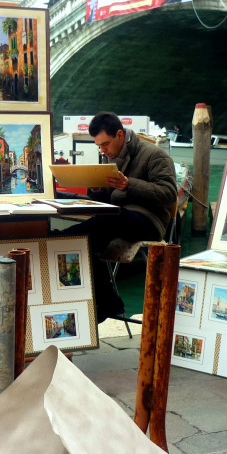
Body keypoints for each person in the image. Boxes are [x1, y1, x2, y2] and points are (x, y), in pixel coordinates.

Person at [62, 111, 177, 322]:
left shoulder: (154, 155)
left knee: (104, 222)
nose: (102, 150)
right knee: (82, 243)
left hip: (149, 220)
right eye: (99, 146)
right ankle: (108, 301)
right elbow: (109, 197)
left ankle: (107, 301)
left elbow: (169, 194)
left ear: (120, 135)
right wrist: (96, 190)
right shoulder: (109, 157)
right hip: (119, 216)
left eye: (105, 144)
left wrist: (129, 184)